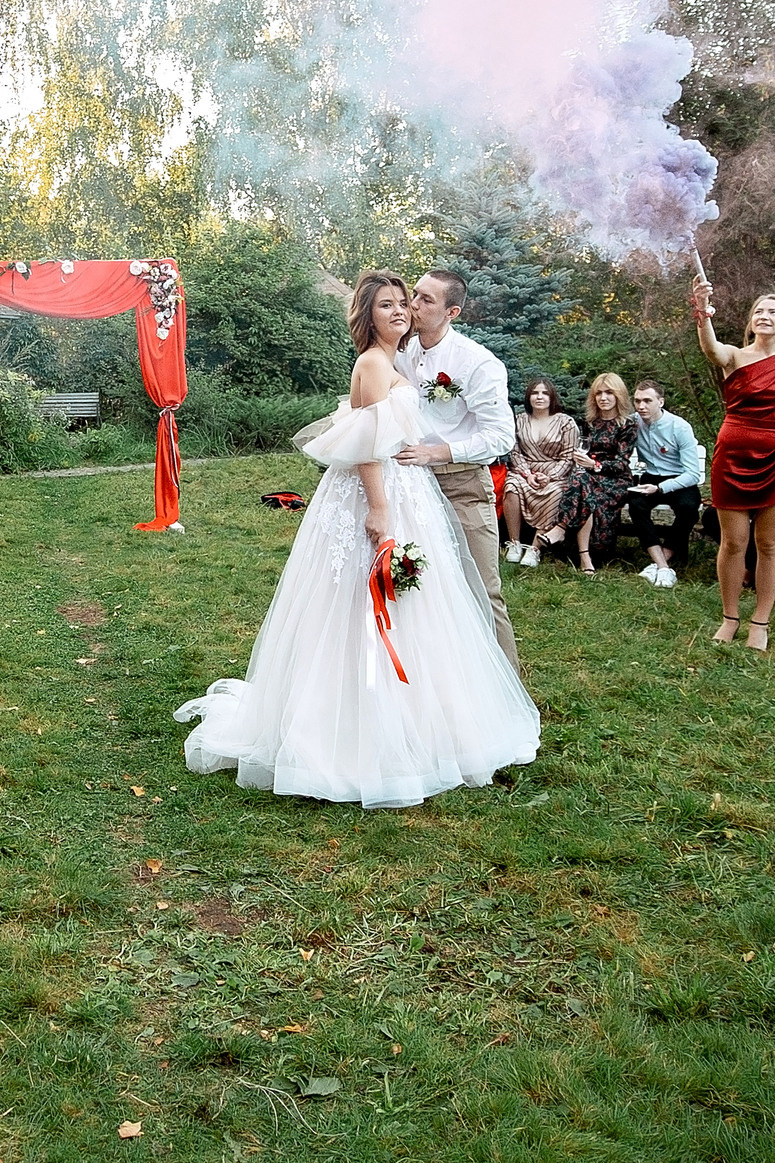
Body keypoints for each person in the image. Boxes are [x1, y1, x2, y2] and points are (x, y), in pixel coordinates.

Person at [175, 271, 540, 807]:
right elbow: (368, 440)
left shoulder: (449, 360)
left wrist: (419, 466)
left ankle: (452, 709)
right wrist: (379, 505)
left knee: (446, 601)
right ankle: (363, 723)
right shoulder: (375, 361)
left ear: (450, 312)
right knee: (368, 602)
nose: (406, 310)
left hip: (433, 486)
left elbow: (491, 435)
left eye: (414, 301)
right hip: (385, 492)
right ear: (367, 314)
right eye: (393, 303)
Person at [391, 270, 519, 663]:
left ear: (453, 312)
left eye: (426, 300)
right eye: (414, 294)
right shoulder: (401, 353)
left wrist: (439, 453)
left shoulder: (478, 363)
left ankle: (507, 690)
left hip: (462, 484)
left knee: (482, 586)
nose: (413, 304)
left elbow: (501, 438)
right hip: (410, 485)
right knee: (418, 585)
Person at [690, 283, 775, 653]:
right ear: (751, 320)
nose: (764, 316)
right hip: (732, 456)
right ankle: (730, 618)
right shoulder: (734, 356)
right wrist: (702, 310)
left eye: (773, 312)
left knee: (770, 542)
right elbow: (711, 348)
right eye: (759, 311)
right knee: (733, 542)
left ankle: (760, 621)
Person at [626, 381, 706, 589]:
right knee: (636, 505)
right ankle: (663, 566)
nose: (641, 406)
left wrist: (662, 488)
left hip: (679, 479)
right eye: (637, 401)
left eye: (647, 401)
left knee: (689, 508)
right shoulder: (633, 423)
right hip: (650, 477)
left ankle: (659, 562)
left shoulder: (679, 427)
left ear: (660, 402)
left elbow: (693, 473)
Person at [564, 373, 640, 578]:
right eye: (599, 393)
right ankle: (584, 555)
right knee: (583, 485)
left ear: (619, 396)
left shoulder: (627, 425)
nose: (603, 398)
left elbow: (621, 463)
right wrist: (581, 458)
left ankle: (560, 529)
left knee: (583, 485)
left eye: (609, 393)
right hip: (589, 477)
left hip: (616, 480)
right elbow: (584, 450)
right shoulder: (590, 422)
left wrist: (594, 464)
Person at [501, 377, 580, 566]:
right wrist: (527, 474)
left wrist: (550, 476)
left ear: (552, 397)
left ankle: (535, 548)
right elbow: (514, 451)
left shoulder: (565, 422)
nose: (539, 397)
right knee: (511, 486)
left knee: (555, 493)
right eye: (535, 393)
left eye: (545, 393)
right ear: (528, 397)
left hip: (555, 473)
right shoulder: (519, 420)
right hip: (524, 472)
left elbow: (569, 456)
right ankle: (514, 543)